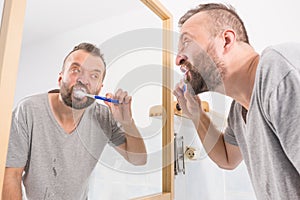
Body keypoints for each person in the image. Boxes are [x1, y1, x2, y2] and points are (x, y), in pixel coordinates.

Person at [173, 3, 300, 199]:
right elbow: (227, 158)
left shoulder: (277, 70)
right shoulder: (238, 111)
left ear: (226, 40)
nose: (178, 59)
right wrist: (197, 115)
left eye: (187, 43)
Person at [2, 42, 147, 200]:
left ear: (99, 89)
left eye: (94, 76)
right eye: (76, 70)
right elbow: (11, 175)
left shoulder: (104, 117)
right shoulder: (28, 110)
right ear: (60, 78)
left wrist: (127, 122)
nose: (83, 80)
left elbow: (139, 159)